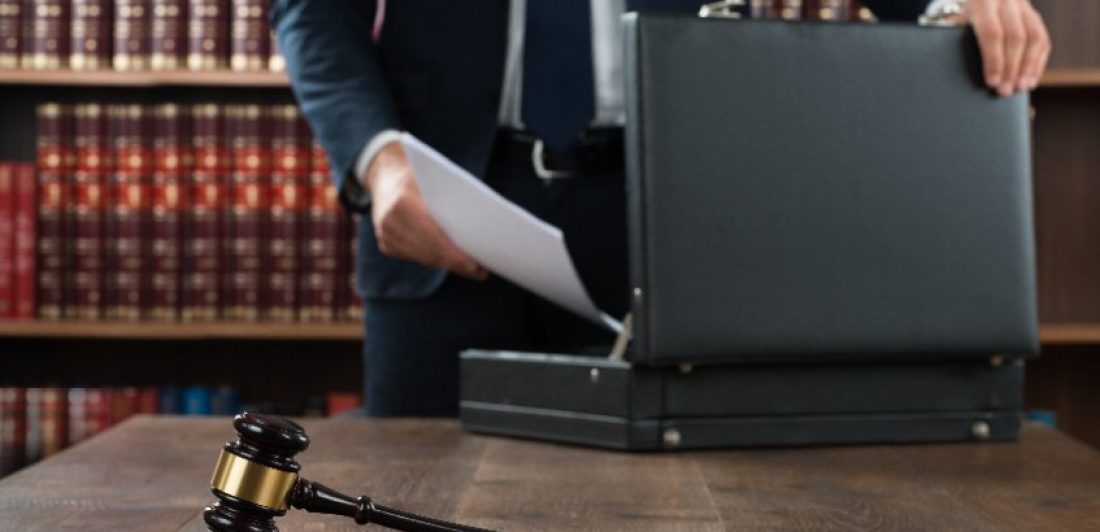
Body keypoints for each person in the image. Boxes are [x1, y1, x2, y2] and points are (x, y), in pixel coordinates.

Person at [270, 0, 1051, 416]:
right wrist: (380, 161)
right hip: (443, 221)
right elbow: (313, 10)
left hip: (675, 219)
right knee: (416, 496)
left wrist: (959, 0)